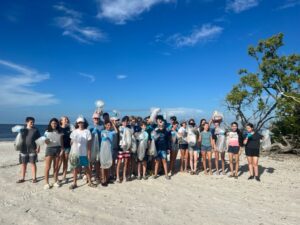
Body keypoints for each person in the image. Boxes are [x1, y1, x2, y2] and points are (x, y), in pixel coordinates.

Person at [69, 116, 96, 189]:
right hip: (75, 153)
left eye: (82, 122)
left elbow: (89, 144)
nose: (80, 124)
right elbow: (71, 143)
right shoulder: (74, 131)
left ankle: (90, 182)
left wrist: (89, 153)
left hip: (84, 153)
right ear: (77, 123)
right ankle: (74, 183)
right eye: (79, 122)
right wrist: (73, 140)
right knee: (75, 168)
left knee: (87, 168)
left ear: (84, 123)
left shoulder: (87, 131)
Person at [16, 117, 41, 184]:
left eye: (33, 122)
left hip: (33, 149)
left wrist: (38, 147)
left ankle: (34, 178)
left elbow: (39, 139)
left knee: (33, 163)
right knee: (23, 164)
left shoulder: (35, 130)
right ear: (26, 122)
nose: (32, 123)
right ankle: (22, 178)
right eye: (31, 122)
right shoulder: (22, 130)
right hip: (23, 149)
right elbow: (18, 138)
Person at [44, 118, 64, 189]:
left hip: (58, 149)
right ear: (50, 124)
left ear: (57, 124)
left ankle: (55, 181)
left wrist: (62, 149)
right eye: (52, 123)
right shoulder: (47, 132)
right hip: (49, 149)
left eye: (55, 123)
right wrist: (46, 141)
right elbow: (45, 142)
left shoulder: (60, 132)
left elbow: (61, 141)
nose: (54, 125)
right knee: (48, 167)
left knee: (56, 167)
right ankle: (46, 183)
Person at [100, 120, 118, 186]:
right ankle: (103, 179)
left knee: (108, 165)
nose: (108, 126)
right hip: (103, 151)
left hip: (110, 150)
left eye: (109, 125)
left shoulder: (111, 132)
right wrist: (105, 137)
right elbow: (103, 138)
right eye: (107, 125)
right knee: (103, 165)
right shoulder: (102, 131)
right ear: (105, 125)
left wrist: (113, 124)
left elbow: (116, 131)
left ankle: (107, 179)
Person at [89, 112, 104, 184]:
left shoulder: (102, 126)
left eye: (97, 118)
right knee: (90, 162)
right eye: (95, 118)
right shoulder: (90, 127)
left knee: (97, 162)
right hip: (91, 147)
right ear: (93, 119)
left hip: (100, 146)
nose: (96, 119)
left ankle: (97, 176)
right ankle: (90, 176)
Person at [116, 116, 132, 183]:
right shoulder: (119, 128)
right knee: (119, 163)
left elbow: (130, 139)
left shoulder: (129, 129)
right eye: (124, 121)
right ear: (122, 122)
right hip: (120, 147)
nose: (125, 123)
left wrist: (130, 147)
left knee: (126, 162)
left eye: (126, 121)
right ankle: (117, 177)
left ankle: (124, 176)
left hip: (127, 148)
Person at [58, 116, 72, 183]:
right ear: (61, 121)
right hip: (60, 148)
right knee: (59, 162)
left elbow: (72, 137)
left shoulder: (69, 128)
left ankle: (64, 177)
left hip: (67, 147)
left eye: (67, 119)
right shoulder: (59, 128)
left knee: (65, 162)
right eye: (65, 119)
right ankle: (56, 176)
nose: (66, 120)